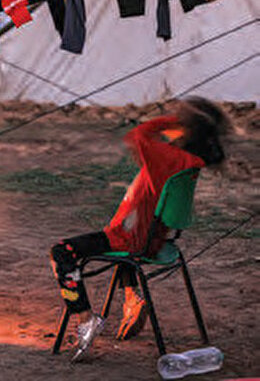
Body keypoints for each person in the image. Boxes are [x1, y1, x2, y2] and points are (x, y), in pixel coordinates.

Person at [49, 97, 230, 361]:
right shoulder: (191, 161)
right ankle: (133, 297)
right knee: (118, 240)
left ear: (187, 129)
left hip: (130, 239)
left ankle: (86, 319)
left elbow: (137, 134)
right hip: (153, 238)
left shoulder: (167, 157)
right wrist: (191, 125)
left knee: (61, 252)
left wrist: (175, 121)